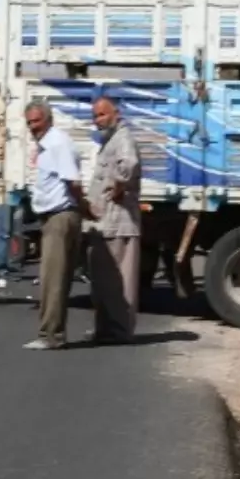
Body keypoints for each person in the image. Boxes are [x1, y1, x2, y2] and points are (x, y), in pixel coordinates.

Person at [21, 99, 86, 350]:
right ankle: (51, 333)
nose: (32, 127)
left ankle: (51, 336)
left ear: (49, 120)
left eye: (36, 121)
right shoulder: (46, 145)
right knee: (54, 279)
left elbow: (73, 182)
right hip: (52, 217)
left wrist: (85, 208)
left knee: (53, 280)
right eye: (29, 123)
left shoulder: (58, 143)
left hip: (61, 217)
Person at [86, 96, 143, 344]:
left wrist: (119, 186)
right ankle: (105, 329)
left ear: (115, 114)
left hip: (119, 222)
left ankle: (119, 330)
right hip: (106, 222)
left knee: (120, 281)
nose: (98, 120)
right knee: (104, 280)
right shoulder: (110, 140)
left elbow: (129, 165)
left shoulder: (123, 138)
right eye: (95, 116)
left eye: (102, 115)